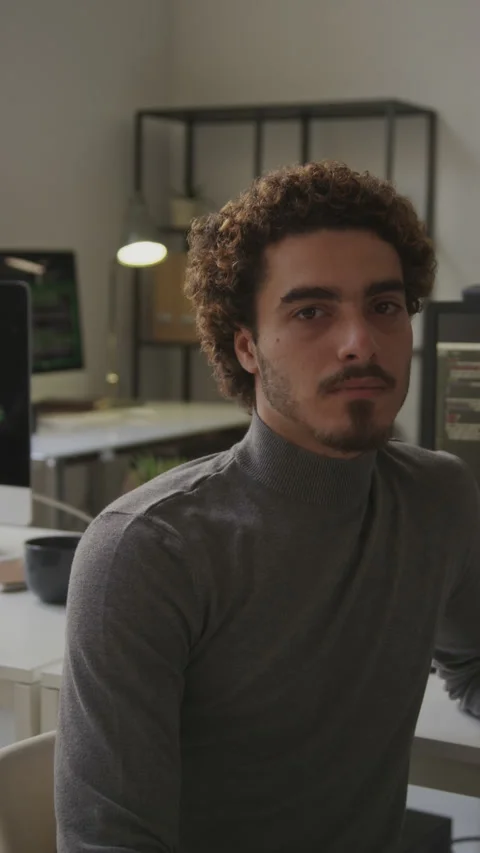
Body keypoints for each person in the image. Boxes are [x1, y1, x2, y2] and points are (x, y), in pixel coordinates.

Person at [55, 161, 480, 853]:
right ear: (246, 346)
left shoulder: (438, 497)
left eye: (384, 305)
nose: (360, 342)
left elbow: (471, 665)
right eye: (311, 311)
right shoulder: (146, 551)